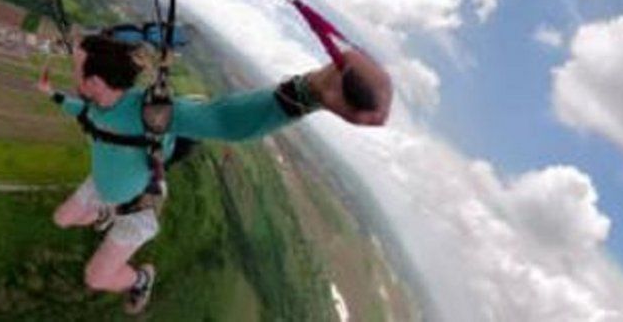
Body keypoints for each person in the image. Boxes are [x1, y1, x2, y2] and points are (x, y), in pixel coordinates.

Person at [37, 31, 393, 314]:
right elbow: (81, 113)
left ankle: (140, 278)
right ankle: (105, 209)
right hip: (105, 187)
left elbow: (225, 120)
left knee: (96, 277)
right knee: (62, 218)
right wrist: (52, 94)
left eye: (77, 69)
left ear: (95, 80)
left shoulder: (151, 111)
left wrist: (310, 90)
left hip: (140, 203)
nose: (73, 74)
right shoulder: (94, 105)